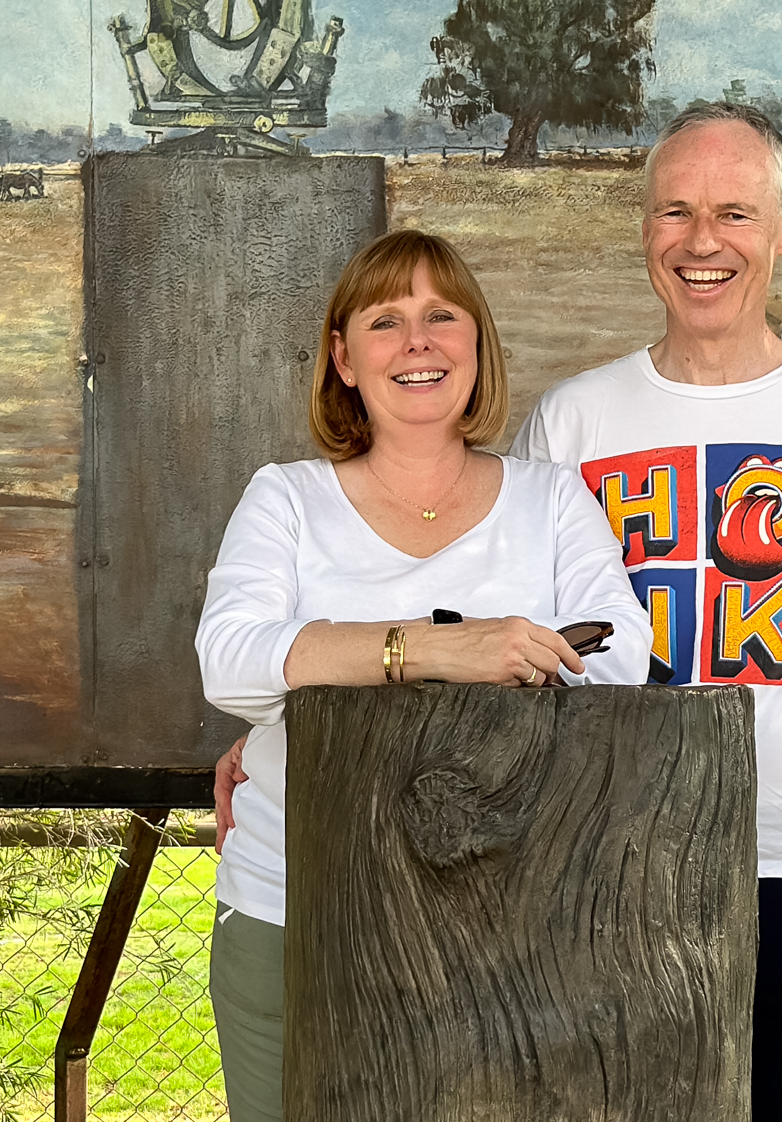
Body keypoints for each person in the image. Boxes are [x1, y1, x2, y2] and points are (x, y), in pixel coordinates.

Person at [511, 102, 782, 1120]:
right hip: (616, 871)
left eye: (735, 214)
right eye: (677, 212)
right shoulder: (572, 419)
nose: (703, 243)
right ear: (646, 229)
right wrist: (277, 731)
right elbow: (506, 638)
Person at [194, 229, 652, 1121]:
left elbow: (618, 658)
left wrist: (329, 663)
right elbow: (233, 660)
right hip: (298, 915)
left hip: (516, 917)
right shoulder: (285, 498)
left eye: (443, 317)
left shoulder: (550, 498)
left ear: (477, 346)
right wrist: (440, 648)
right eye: (386, 321)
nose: (418, 343)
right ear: (343, 357)